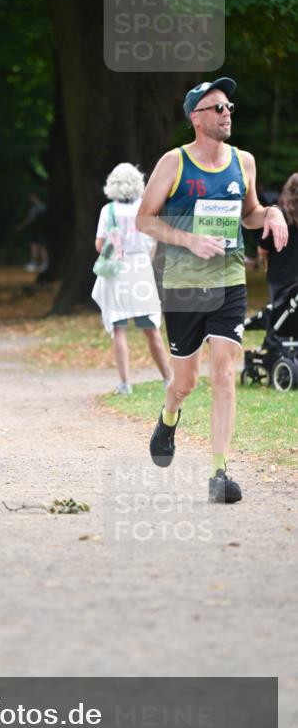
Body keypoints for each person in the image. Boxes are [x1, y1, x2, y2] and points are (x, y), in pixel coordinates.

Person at [137, 77, 288, 503]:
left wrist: (272, 213)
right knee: (185, 381)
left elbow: (249, 213)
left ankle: (219, 473)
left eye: (228, 107)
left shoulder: (244, 162)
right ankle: (169, 416)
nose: (226, 114)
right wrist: (188, 240)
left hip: (228, 281)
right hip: (183, 285)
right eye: (217, 108)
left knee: (223, 372)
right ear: (196, 118)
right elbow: (144, 220)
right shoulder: (174, 163)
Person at [92, 163, 171, 395]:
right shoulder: (146, 208)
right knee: (151, 328)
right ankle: (168, 378)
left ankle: (125, 383)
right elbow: (153, 243)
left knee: (119, 328)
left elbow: (100, 245)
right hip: (141, 271)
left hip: (117, 271)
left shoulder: (108, 211)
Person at [256, 172, 298, 304]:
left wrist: (263, 257)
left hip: (280, 279)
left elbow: (263, 248)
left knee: (281, 314)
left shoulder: (279, 217)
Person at [16, 191, 49, 273]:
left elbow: (30, 220)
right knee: (40, 246)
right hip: (43, 230)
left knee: (36, 246)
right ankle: (43, 264)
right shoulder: (45, 207)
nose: (30, 199)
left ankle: (36, 263)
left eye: (30, 197)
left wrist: (21, 226)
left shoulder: (34, 209)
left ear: (34, 196)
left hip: (36, 230)